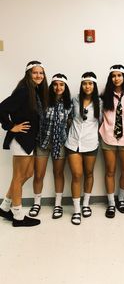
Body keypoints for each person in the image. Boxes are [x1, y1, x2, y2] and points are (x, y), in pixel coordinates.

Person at [0, 61, 48, 227]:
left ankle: (5, 206)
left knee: (26, 175)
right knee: (19, 176)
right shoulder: (23, 91)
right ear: (28, 74)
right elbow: (2, 108)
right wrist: (11, 126)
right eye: (35, 72)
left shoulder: (34, 92)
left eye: (41, 73)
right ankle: (18, 216)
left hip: (28, 141)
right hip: (20, 140)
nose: (38, 76)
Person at [29, 73, 72, 219]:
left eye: (61, 84)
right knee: (38, 174)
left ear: (65, 87)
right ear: (51, 86)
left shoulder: (69, 104)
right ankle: (36, 203)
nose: (58, 87)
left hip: (59, 144)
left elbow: (71, 122)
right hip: (42, 142)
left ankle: (58, 204)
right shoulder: (43, 101)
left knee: (58, 174)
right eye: (55, 84)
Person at [65, 72, 101, 225]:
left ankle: (86, 203)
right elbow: (68, 118)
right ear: (82, 85)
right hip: (73, 143)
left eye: (90, 83)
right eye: (85, 83)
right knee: (77, 175)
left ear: (94, 85)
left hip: (91, 143)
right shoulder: (74, 100)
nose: (87, 86)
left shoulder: (100, 102)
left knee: (89, 173)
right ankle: (77, 209)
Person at [99, 65, 124, 218]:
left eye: (119, 75)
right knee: (110, 171)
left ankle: (121, 199)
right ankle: (111, 203)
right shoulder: (104, 96)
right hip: (108, 138)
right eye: (113, 76)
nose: (116, 78)